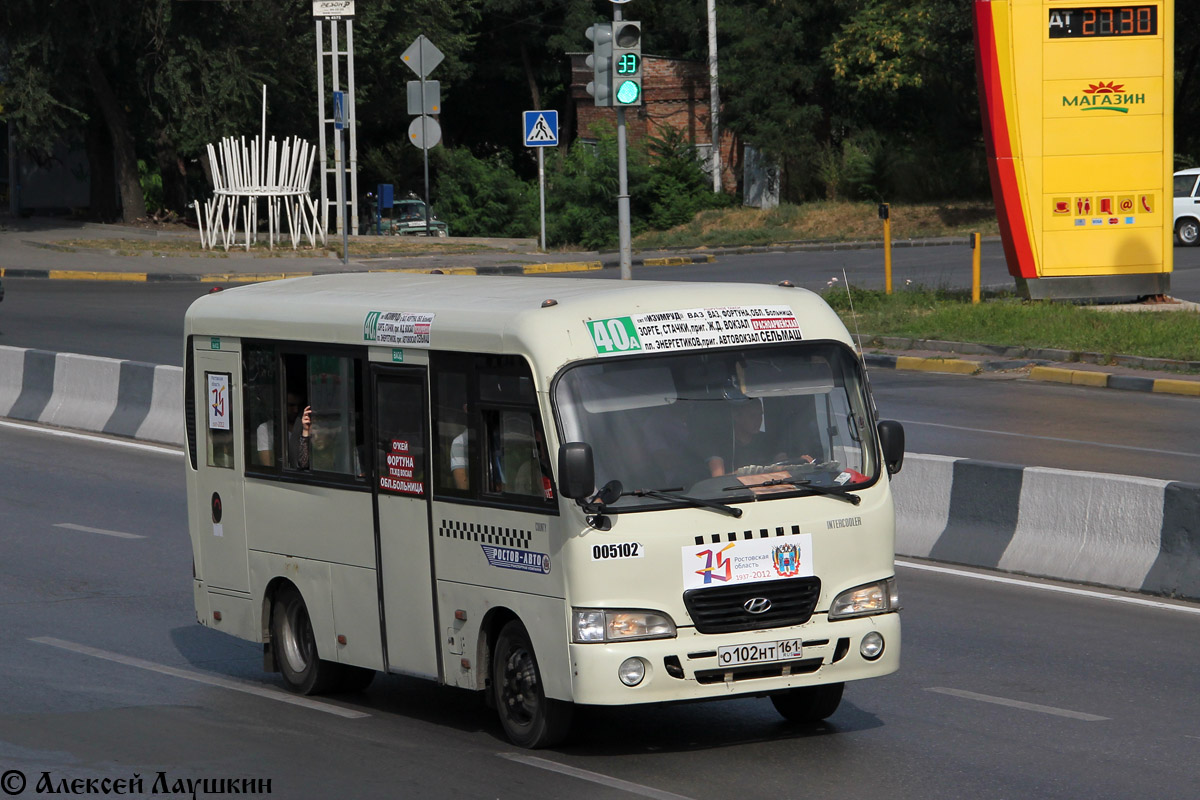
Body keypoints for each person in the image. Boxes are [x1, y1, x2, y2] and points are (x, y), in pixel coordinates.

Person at [707, 398, 806, 477]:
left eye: (760, 415)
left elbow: (782, 463)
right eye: (752, 416)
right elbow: (718, 479)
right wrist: (743, 474)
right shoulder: (718, 444)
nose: (758, 420)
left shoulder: (769, 440)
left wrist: (800, 462)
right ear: (736, 416)